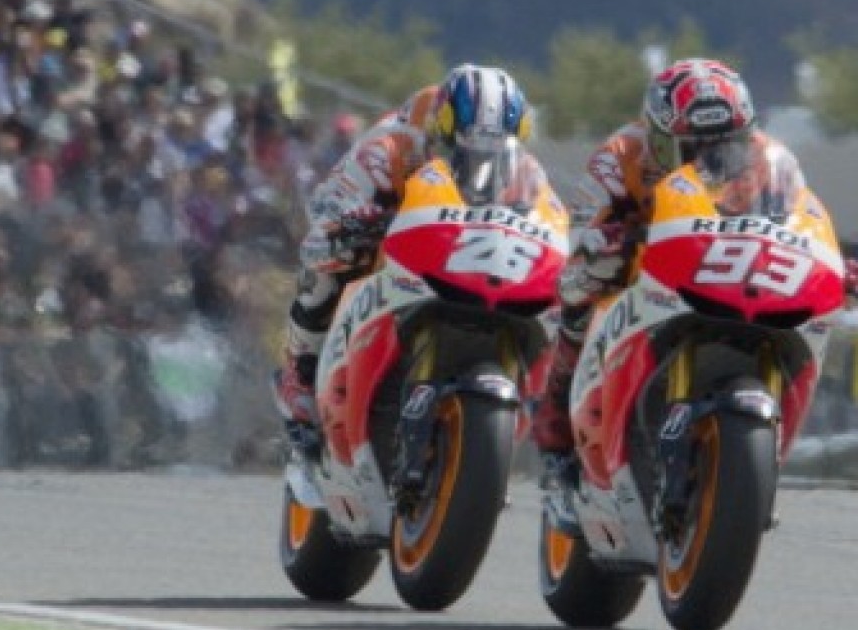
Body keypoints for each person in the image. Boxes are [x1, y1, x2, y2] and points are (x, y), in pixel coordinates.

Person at [530, 56, 836, 533]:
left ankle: (754, 466)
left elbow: (799, 218)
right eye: (690, 146)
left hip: (727, 273)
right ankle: (557, 442)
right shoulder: (620, 156)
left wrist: (835, 264)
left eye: (724, 145)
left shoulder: (769, 161)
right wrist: (604, 241)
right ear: (657, 137)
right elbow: (576, 232)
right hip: (642, 275)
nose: (706, 158)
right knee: (577, 299)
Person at [272, 63, 551, 455]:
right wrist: (357, 219)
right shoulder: (390, 144)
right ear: (441, 130)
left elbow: (551, 220)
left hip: (470, 261)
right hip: (394, 246)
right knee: (327, 258)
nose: (481, 165)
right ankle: (301, 369)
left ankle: (539, 402)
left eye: (495, 154)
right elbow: (325, 213)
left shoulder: (524, 168)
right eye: (466, 151)